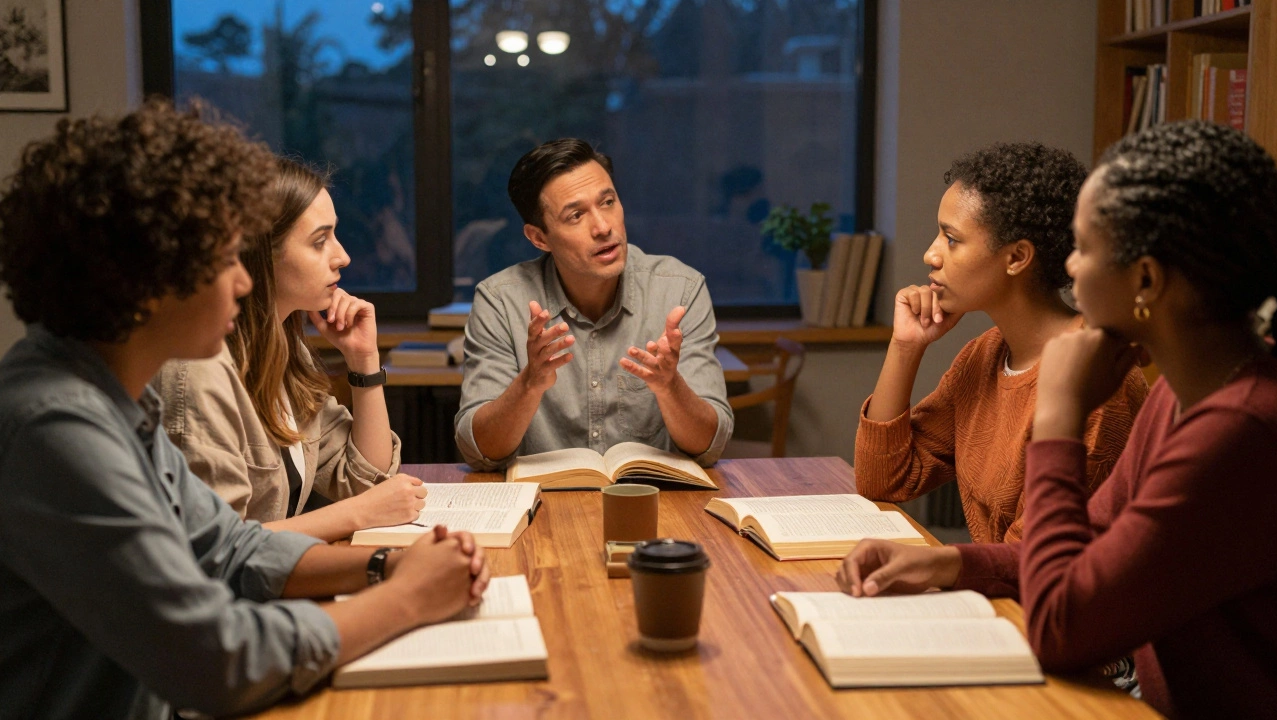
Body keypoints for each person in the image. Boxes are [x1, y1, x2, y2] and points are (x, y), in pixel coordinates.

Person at [0, 101, 489, 719]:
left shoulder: (114, 395)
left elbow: (230, 549)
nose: (243, 281)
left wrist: (385, 565)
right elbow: (215, 660)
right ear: (150, 275)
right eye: (226, 258)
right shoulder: (55, 425)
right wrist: (408, 598)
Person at [839, 121, 1277, 718]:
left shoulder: (1240, 432)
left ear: (1145, 280)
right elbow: (1091, 547)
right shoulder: (1188, 396)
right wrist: (950, 560)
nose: (1069, 267)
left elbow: (1059, 625)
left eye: (1084, 249)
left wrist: (1060, 416)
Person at [854, 142, 1147, 543]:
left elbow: (1034, 559)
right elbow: (882, 481)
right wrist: (906, 347)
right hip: (998, 595)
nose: (930, 254)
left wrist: (938, 568)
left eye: (951, 239)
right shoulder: (986, 353)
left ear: (1016, 258)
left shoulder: (1096, 377)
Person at [154, 157, 423, 543]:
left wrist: (364, 364)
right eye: (319, 241)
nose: (342, 256)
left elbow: (364, 479)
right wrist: (357, 515)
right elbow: (214, 549)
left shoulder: (282, 346)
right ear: (260, 256)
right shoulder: (195, 373)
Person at [455, 138, 733, 470]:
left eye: (608, 202)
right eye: (575, 215)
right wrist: (530, 383)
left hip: (653, 502)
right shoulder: (500, 300)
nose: (603, 227)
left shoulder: (680, 290)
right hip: (543, 506)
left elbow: (710, 446)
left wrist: (670, 387)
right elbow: (478, 451)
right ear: (539, 237)